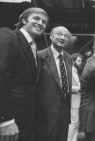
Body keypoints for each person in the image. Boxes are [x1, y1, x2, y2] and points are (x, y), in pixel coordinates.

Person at [0, 7, 49, 141]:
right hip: (10, 121)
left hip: (27, 120)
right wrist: (5, 120)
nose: (41, 23)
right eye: (36, 18)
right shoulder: (8, 35)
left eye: (44, 22)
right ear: (23, 20)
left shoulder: (34, 48)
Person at [34, 26, 72, 141]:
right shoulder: (40, 56)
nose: (62, 37)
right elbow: (34, 85)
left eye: (66, 36)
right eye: (59, 34)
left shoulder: (69, 58)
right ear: (51, 36)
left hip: (64, 110)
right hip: (45, 112)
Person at [68, 53, 83, 141]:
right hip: (73, 100)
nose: (81, 62)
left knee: (76, 123)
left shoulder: (77, 71)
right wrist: (79, 88)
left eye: (81, 61)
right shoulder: (70, 71)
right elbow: (67, 86)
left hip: (77, 100)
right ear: (73, 61)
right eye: (78, 61)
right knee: (73, 123)